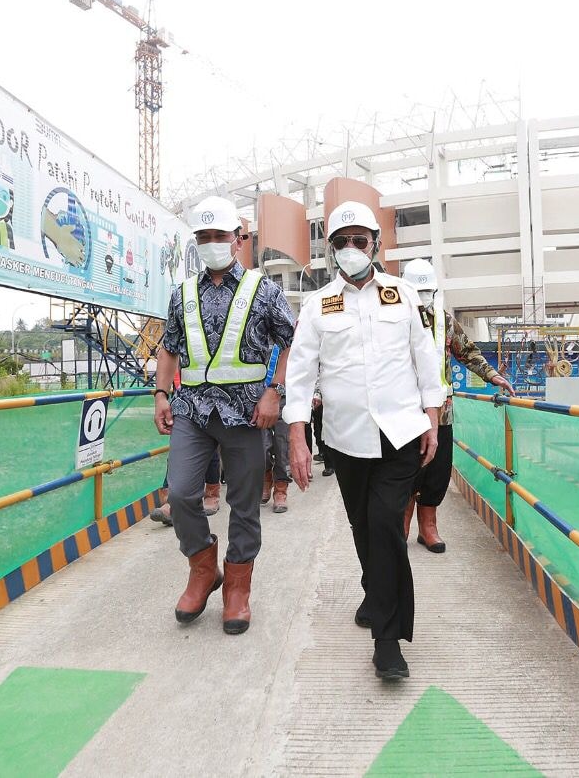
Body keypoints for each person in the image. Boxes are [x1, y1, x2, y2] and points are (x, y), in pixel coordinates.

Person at [285, 200, 445, 681]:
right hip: (345, 438)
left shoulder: (402, 295)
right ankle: (376, 591)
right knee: (363, 527)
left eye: (360, 240)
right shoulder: (318, 305)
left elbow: (424, 357)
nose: (352, 249)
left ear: (376, 242)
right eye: (342, 242)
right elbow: (300, 373)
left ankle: (388, 641)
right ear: (331, 251)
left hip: (400, 433)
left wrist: (432, 418)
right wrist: (297, 436)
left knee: (384, 523)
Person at [153, 196, 294, 635]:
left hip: (249, 413)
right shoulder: (183, 294)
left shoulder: (263, 289)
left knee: (245, 504)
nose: (212, 243)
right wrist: (160, 393)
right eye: (204, 237)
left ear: (237, 239)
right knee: (179, 493)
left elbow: (291, 339)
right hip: (193, 409)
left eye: (219, 236)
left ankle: (237, 588)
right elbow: (169, 346)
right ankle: (202, 569)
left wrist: (275, 392)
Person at [401, 259, 515, 554]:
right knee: (404, 471)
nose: (424, 298)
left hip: (441, 412)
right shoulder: (393, 320)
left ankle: (428, 528)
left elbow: (468, 352)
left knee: (437, 471)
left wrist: (492, 375)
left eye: (428, 292)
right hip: (403, 412)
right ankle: (399, 527)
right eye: (419, 292)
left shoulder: (444, 321)